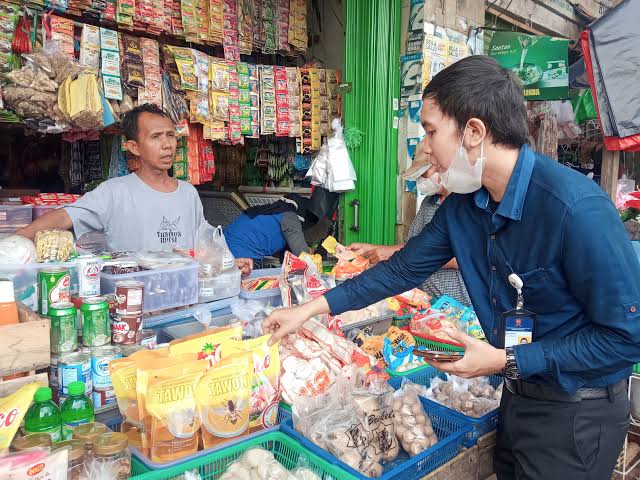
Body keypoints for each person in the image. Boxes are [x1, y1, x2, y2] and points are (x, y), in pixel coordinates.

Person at [263, 56, 639, 479]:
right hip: (517, 398)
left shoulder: (575, 209)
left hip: (577, 413)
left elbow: (626, 339)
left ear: (474, 132)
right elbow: (400, 270)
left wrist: (503, 360)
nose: (424, 149)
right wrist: (309, 310)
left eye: (430, 131)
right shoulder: (467, 204)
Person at [17, 104, 251, 274]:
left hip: (184, 297)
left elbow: (204, 244)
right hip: (133, 300)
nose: (167, 144)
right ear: (134, 147)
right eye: (156, 137)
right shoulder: (114, 192)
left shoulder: (188, 193)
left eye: (171, 135)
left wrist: (228, 261)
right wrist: (13, 242)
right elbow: (64, 215)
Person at [348, 139, 471, 305]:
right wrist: (372, 249)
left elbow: (462, 256)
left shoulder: (468, 203)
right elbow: (414, 244)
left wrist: (388, 252)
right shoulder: (429, 202)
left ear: (442, 166)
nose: (420, 180)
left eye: (423, 174)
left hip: (460, 305)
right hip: (426, 301)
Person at [224, 187, 336, 265]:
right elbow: (301, 253)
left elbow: (285, 252)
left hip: (228, 243)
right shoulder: (290, 217)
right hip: (242, 252)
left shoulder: (279, 211)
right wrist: (315, 253)